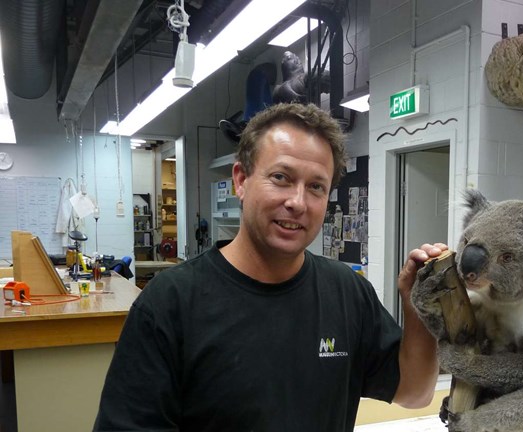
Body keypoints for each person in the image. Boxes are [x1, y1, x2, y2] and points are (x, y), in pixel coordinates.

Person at [94, 103, 447, 431]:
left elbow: (413, 392)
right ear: (241, 180)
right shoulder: (169, 303)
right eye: (280, 177)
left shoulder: (346, 291)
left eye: (316, 187)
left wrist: (420, 306)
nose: (297, 202)